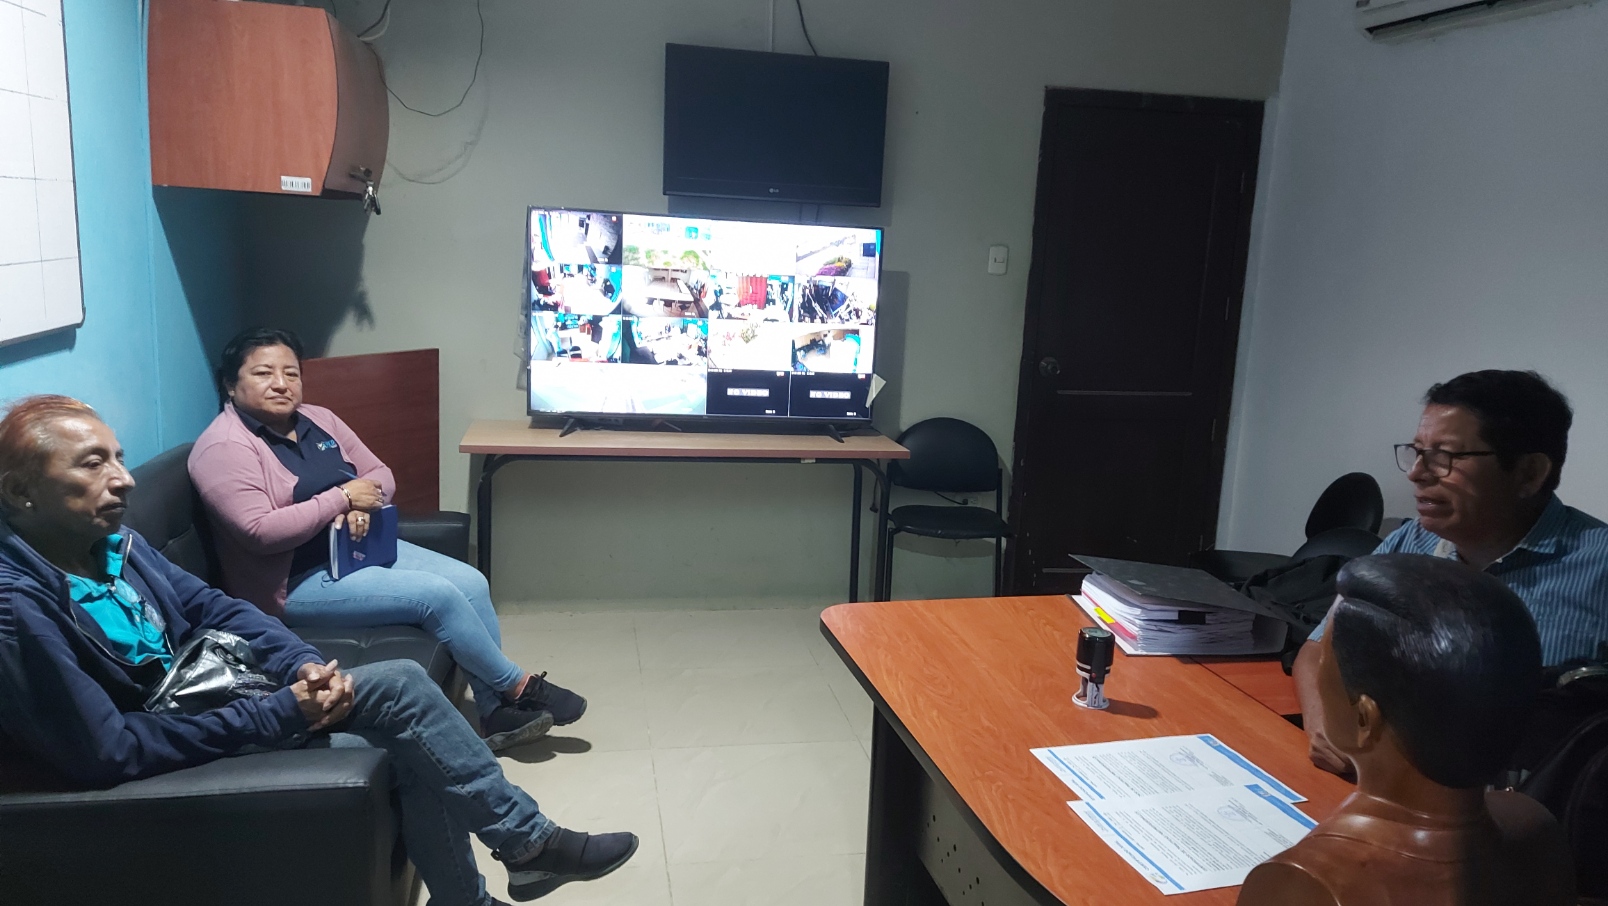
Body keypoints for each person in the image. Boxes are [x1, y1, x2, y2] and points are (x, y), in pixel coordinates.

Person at [0, 396, 637, 905]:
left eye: (118, 458)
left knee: (414, 726)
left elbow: (215, 608)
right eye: (92, 464)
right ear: (19, 491)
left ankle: (500, 872)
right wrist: (280, 712)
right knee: (401, 689)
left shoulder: (114, 546)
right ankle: (528, 845)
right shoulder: (17, 605)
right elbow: (108, 751)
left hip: (208, 700)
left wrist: (296, 663)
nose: (124, 479)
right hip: (161, 754)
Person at [188, 328, 584, 753]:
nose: (281, 384)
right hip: (294, 580)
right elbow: (260, 532)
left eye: (292, 373)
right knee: (437, 596)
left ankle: (493, 712)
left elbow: (380, 475)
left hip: (358, 550)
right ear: (230, 385)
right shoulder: (223, 447)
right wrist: (341, 499)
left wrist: (361, 503)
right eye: (264, 373)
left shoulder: (319, 419)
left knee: (471, 581)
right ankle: (518, 686)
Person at [1295, 370, 1608, 774]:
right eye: (1417, 452)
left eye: (1445, 456)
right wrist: (1324, 726)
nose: (1417, 473)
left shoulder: (1598, 566)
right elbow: (1318, 650)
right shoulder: (1411, 541)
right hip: (1385, 788)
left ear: (1529, 473)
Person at [1237, 554, 1574, 906]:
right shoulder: (1535, 824)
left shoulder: (1302, 881)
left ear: (1365, 719)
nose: (1317, 671)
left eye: (1325, 661)